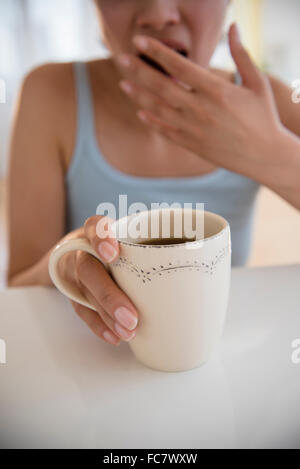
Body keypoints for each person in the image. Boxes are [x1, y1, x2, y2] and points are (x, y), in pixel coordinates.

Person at [6, 0, 300, 347]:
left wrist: (271, 153)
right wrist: (69, 261)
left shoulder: (266, 102)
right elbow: (18, 292)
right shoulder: (50, 94)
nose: (159, 15)